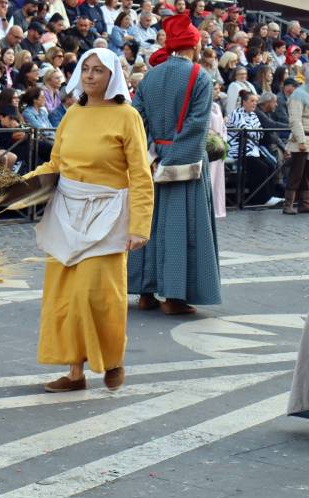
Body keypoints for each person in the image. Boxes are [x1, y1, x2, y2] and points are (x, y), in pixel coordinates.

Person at [15, 48, 152, 392]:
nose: (90, 76)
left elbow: (140, 174)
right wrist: (17, 187)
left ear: (112, 77)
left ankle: (112, 360)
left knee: (100, 294)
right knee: (64, 295)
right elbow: (55, 164)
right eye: (86, 69)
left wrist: (139, 225)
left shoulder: (127, 116)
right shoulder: (72, 114)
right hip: (66, 211)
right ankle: (74, 371)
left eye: (98, 71)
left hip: (108, 213)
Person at [129, 13, 221, 316]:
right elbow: (196, 126)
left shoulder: (149, 76)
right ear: (193, 46)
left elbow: (136, 121)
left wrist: (153, 156)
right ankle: (174, 297)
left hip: (153, 161)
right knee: (183, 229)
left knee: (148, 225)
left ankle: (145, 293)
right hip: (186, 165)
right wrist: (172, 161)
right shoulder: (200, 76)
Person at [285, 65, 309, 215]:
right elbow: (295, 120)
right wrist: (301, 140)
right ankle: (288, 205)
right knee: (296, 173)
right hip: (301, 138)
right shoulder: (298, 94)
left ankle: (304, 204)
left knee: (307, 174)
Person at [208, 81, 226, 218]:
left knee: (218, 179)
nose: (217, 91)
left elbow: (223, 126)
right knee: (210, 177)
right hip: (210, 146)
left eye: (219, 89)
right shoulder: (203, 106)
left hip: (219, 144)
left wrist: (223, 140)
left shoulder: (217, 106)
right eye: (215, 89)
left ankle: (217, 208)